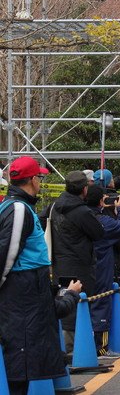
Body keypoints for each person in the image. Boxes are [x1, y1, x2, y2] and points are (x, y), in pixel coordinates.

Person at [0, 157, 68, 394]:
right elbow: (7, 252)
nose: (41, 181)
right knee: (22, 355)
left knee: (24, 355)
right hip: (23, 292)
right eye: (39, 177)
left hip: (26, 291)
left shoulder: (17, 206)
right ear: (30, 180)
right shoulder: (18, 208)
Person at [39, 171, 104, 351]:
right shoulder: (82, 212)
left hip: (59, 264)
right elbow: (99, 233)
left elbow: (40, 223)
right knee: (81, 306)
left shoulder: (54, 206)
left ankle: (64, 348)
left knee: (63, 302)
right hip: (81, 265)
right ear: (84, 189)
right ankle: (80, 351)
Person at [85, 184, 120, 359]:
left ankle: (82, 345)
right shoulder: (102, 221)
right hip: (101, 266)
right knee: (101, 304)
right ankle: (101, 348)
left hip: (80, 266)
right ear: (100, 201)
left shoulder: (80, 216)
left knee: (83, 305)